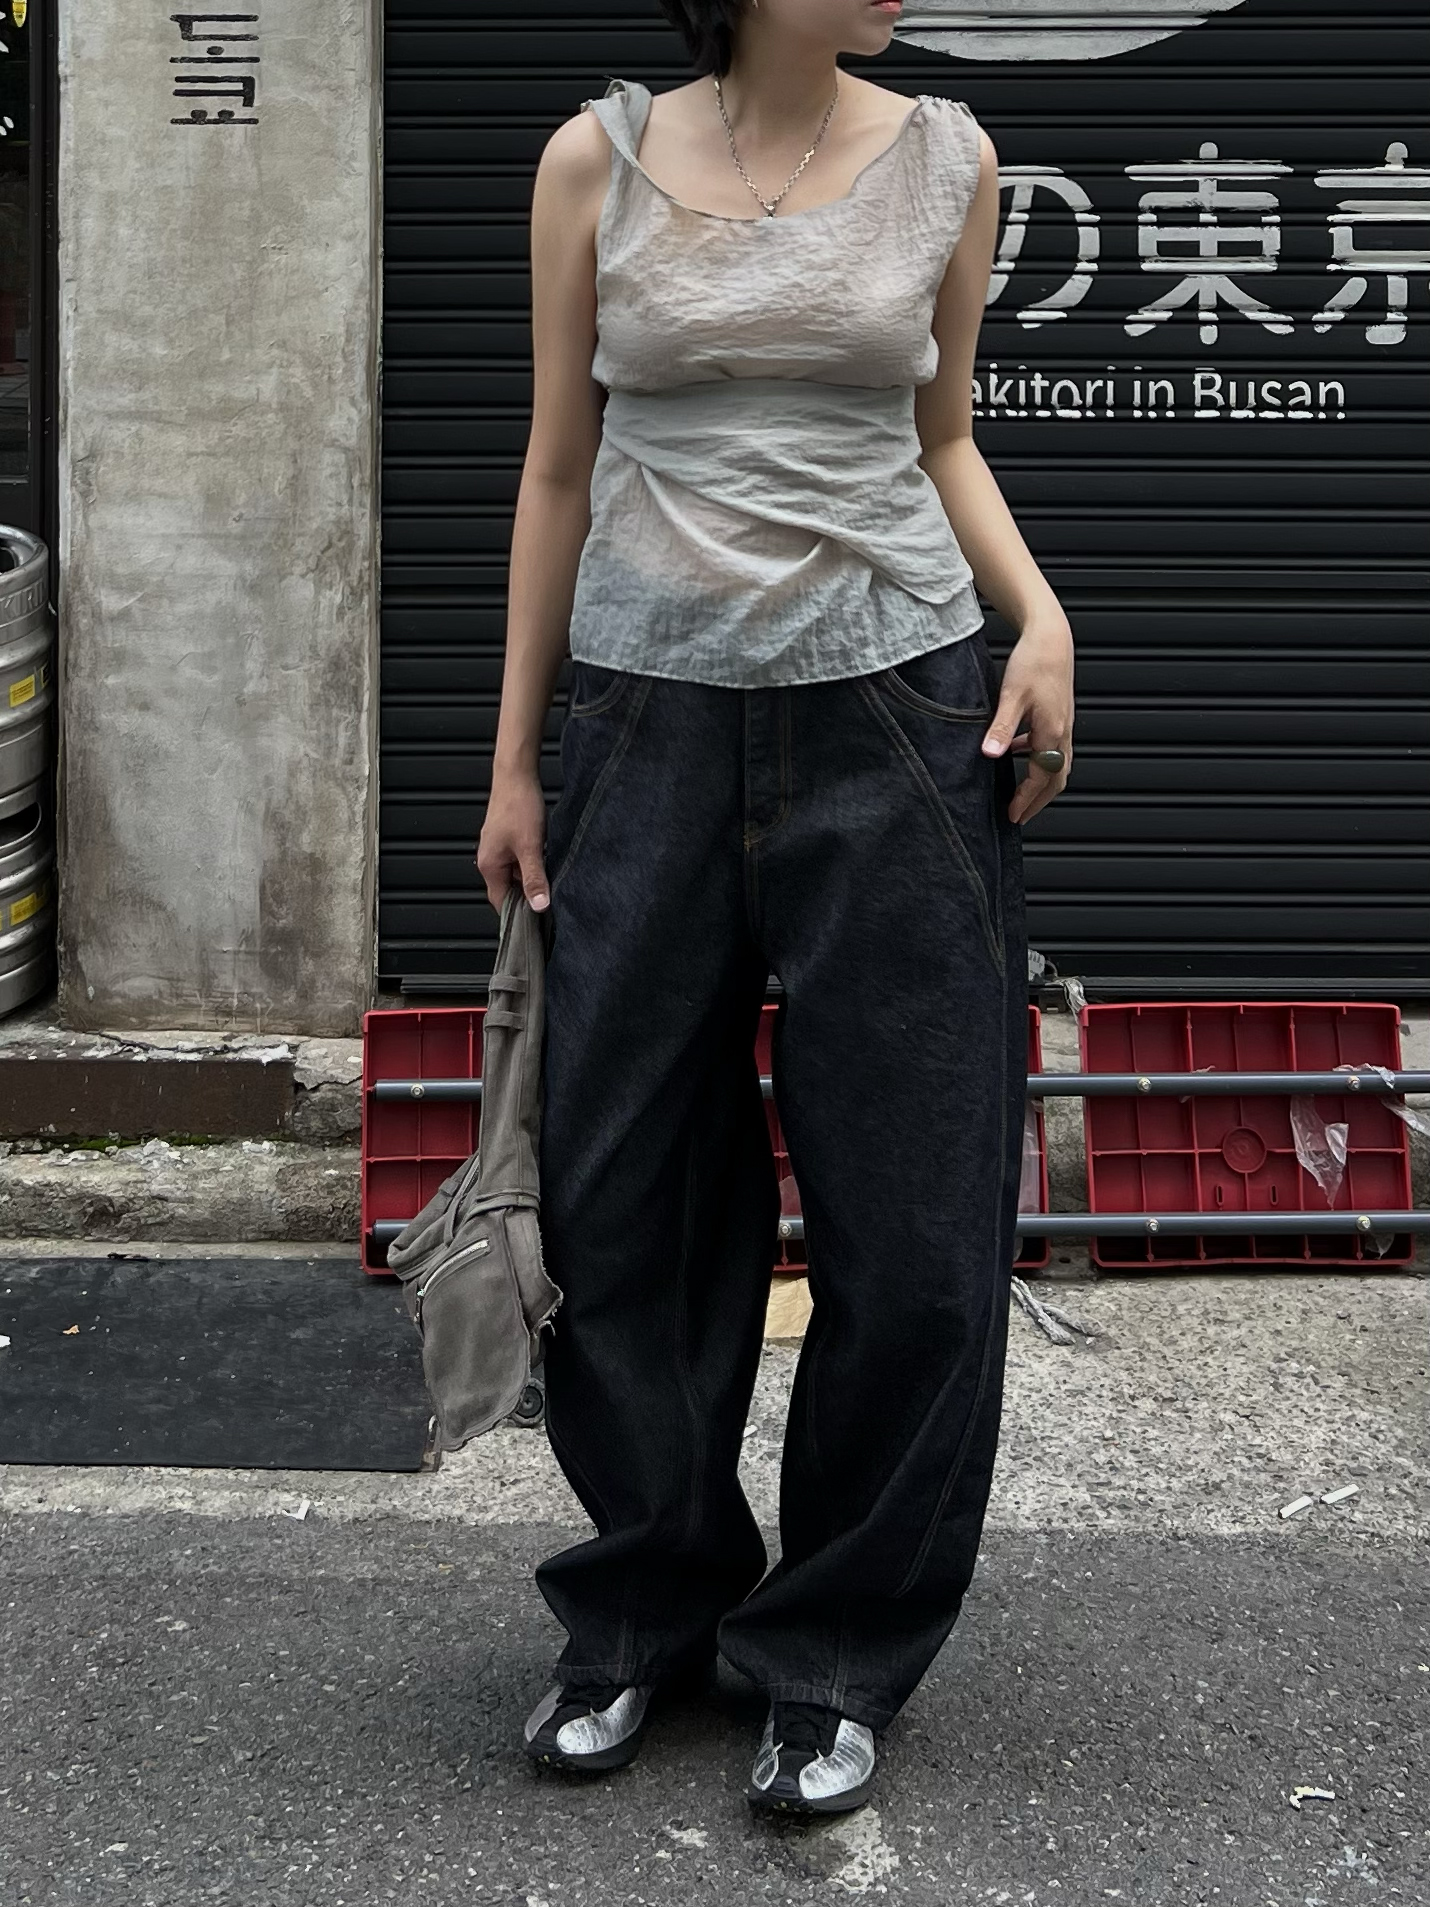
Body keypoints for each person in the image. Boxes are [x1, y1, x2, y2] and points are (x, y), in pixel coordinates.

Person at [476, 0, 1074, 1816]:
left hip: (896, 712)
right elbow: (557, 465)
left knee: (913, 1206)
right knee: (621, 1198)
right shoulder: (592, 157)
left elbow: (941, 435)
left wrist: (1040, 616)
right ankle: (643, 1609)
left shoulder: (950, 158)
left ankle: (834, 1650)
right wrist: (516, 764)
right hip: (644, 723)